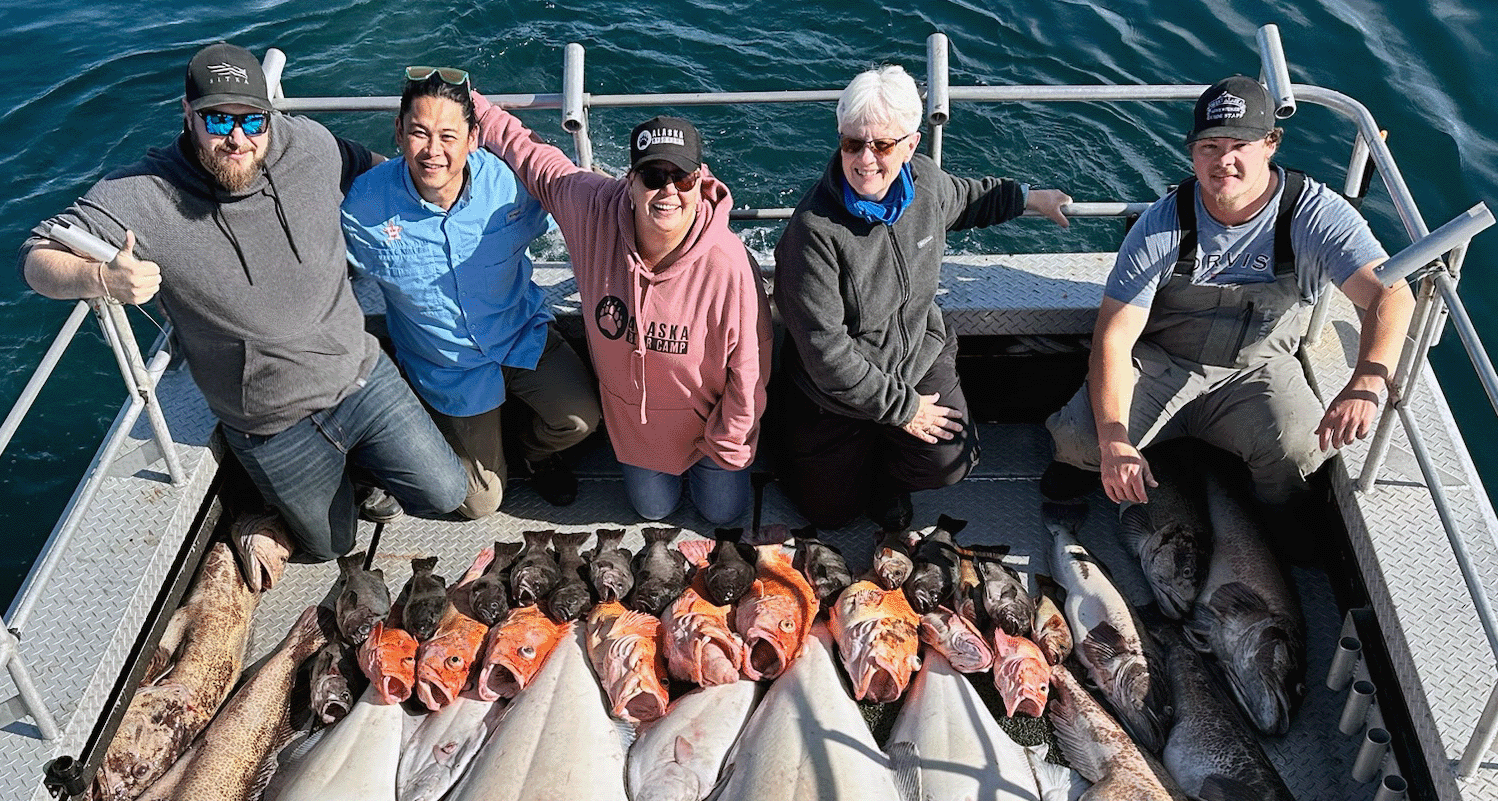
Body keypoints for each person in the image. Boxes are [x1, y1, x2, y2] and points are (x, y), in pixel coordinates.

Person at [20, 43, 467, 561]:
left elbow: (372, 169)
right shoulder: (142, 194)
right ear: (187, 114)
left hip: (360, 376)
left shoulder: (309, 145)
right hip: (269, 423)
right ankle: (262, 504)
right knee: (331, 547)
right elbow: (37, 256)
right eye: (217, 120)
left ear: (269, 116)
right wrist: (102, 277)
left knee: (447, 495)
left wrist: (442, 205)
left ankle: (353, 471)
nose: (237, 139)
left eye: (253, 121)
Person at [1041, 74, 1414, 523]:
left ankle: (1280, 518)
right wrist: (1114, 441)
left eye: (1240, 145)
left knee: (1301, 449)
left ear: (1271, 143)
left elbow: (1391, 296)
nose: (1225, 161)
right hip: (1163, 363)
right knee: (1082, 441)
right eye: (1210, 147)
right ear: (1192, 152)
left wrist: (1365, 382)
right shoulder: (1160, 224)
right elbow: (1114, 339)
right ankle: (1102, 471)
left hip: (1257, 372)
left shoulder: (1314, 213)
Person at [772, 65, 1072, 531]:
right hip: (835, 392)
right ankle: (841, 452)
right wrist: (903, 410)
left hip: (917, 355)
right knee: (828, 515)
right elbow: (825, 352)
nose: (865, 159)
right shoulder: (813, 231)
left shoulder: (926, 182)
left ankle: (885, 475)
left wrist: (1029, 197)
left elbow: (969, 198)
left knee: (950, 461)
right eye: (852, 142)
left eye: (882, 145)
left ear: (911, 146)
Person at [471, 91, 771, 527]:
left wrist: (728, 443)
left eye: (681, 178)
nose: (668, 190)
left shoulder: (727, 262)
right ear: (630, 180)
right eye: (653, 176)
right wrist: (475, 105)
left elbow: (750, 369)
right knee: (652, 508)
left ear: (700, 180)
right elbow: (534, 159)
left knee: (724, 513)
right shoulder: (592, 209)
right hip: (639, 433)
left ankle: (715, 464)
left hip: (713, 426)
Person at [341, 68, 601, 518]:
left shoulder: (511, 185)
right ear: (398, 133)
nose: (433, 151)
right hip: (447, 363)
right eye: (419, 133)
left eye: (448, 135)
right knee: (480, 503)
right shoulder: (364, 205)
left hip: (519, 335)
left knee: (581, 419)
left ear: (473, 138)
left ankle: (533, 452)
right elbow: (323, 271)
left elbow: (588, 212)